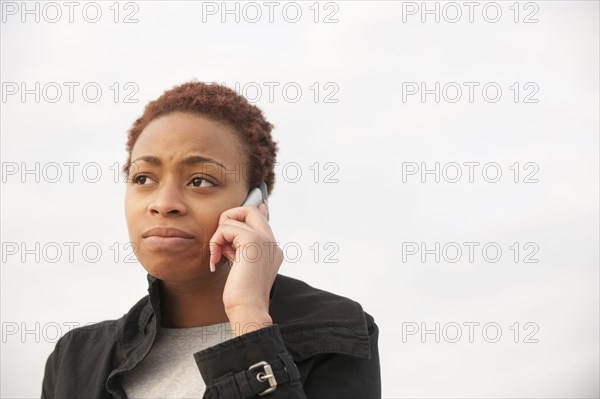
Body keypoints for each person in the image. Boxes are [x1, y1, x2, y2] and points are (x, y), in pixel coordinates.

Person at [41, 81, 381, 398]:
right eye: (143, 177)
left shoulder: (336, 330)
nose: (163, 204)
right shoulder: (75, 357)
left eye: (200, 181)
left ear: (255, 205)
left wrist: (248, 316)